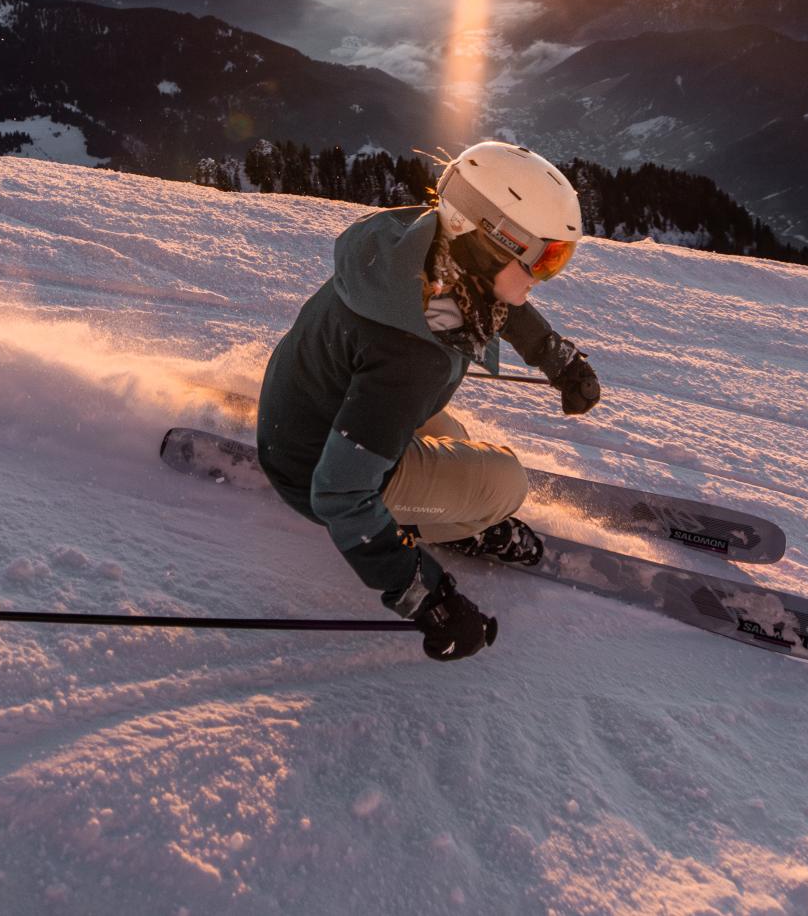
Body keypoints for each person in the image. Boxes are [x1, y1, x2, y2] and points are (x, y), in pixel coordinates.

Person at [255, 140, 603, 661]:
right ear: (493, 243)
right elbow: (339, 494)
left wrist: (558, 358)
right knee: (504, 483)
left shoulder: (422, 246)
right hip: (311, 471)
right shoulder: (414, 355)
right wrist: (428, 598)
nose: (541, 277)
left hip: (306, 416)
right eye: (544, 259)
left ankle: (442, 511)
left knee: (454, 439)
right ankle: (450, 525)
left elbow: (497, 297)